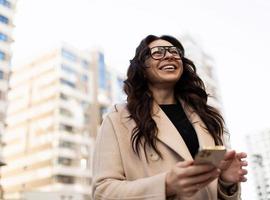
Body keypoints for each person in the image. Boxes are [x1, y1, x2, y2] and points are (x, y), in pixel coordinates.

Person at [92, 35, 248, 200]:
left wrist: (225, 182)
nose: (169, 55)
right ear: (142, 67)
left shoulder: (206, 116)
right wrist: (166, 185)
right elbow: (103, 192)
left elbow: (209, 189)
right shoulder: (118, 119)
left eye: (174, 52)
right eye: (158, 52)